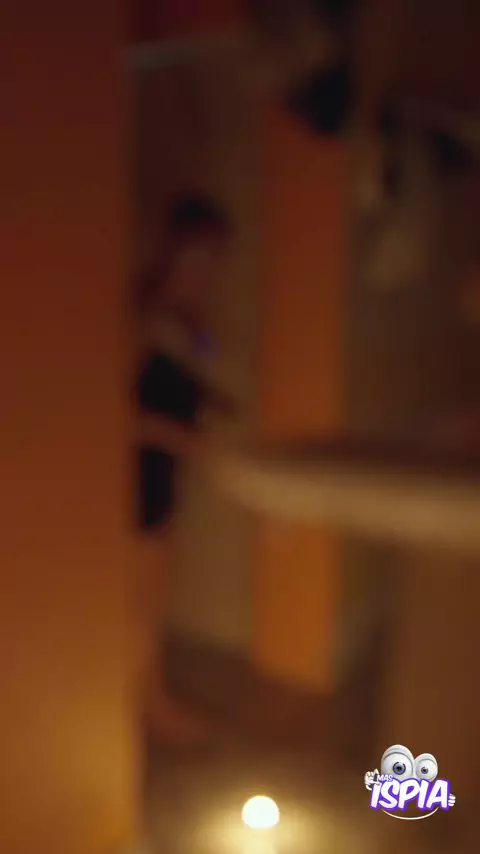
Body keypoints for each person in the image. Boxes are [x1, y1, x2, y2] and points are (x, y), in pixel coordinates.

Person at [134, 193, 233, 746]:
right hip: (137, 477)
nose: (206, 272)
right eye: (198, 256)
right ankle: (151, 707)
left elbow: (206, 365)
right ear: (170, 248)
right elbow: (114, 416)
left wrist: (216, 400)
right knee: (141, 605)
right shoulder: (142, 316)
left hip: (167, 472)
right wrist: (187, 440)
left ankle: (151, 700)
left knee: (154, 596)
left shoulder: (189, 322)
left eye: (216, 258)